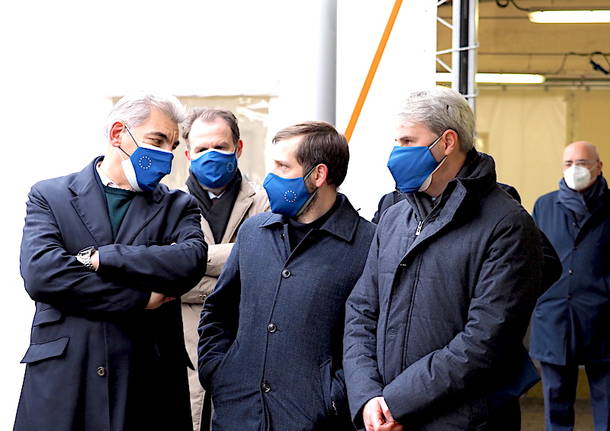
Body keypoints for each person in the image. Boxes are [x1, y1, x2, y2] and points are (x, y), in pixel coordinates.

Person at [343, 87, 544, 431]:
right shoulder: (394, 218)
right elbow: (361, 311)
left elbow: (485, 340)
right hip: (383, 416)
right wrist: (368, 397)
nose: (396, 152)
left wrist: (395, 402)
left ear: (447, 142)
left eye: (407, 141)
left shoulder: (506, 223)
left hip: (464, 420)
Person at [14, 95, 207, 431]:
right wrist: (140, 298)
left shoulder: (179, 205)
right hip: (65, 383)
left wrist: (104, 257)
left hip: (146, 383)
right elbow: (43, 274)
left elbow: (188, 262)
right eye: (157, 140)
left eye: (173, 145)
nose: (166, 155)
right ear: (118, 133)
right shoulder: (51, 196)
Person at [198, 121, 375, 431]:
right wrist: (219, 372)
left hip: (315, 422)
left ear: (318, 175)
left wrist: (332, 398)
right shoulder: (254, 232)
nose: (270, 178)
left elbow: (371, 336)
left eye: (282, 166)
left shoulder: (369, 244)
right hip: (238, 416)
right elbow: (218, 311)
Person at [179, 108, 269, 431]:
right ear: (188, 154)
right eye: (202, 149)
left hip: (247, 356)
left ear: (239, 148)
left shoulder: (265, 202)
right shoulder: (168, 206)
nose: (211, 156)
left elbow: (268, 270)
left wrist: (186, 262)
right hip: (184, 357)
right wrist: (237, 270)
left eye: (220, 147)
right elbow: (163, 277)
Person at [530, 141, 610, 431]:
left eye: (583, 162)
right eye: (568, 163)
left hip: (602, 319)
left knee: (607, 401)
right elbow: (533, 261)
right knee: (557, 401)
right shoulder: (544, 205)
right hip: (554, 318)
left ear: (599, 166)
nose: (575, 169)